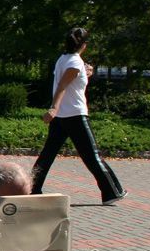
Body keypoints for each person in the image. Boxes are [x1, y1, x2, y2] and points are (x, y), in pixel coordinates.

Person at [32, 27, 126, 205]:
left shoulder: (64, 59)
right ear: (84, 45)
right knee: (93, 156)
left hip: (63, 117)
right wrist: (53, 108)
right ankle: (112, 192)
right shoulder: (75, 63)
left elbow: (71, 81)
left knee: (48, 154)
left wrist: (86, 72)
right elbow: (62, 87)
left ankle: (32, 187)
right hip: (75, 115)